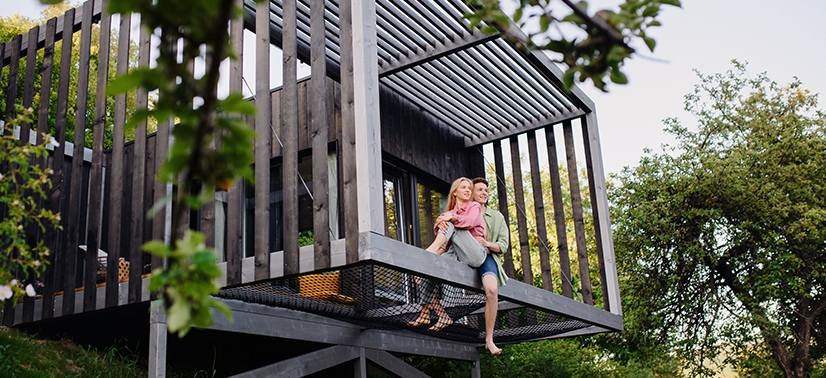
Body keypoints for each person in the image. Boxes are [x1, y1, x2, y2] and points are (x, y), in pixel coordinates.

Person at [408, 177, 487, 332]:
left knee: (452, 222)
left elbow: (469, 222)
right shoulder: (448, 214)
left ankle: (430, 251)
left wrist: (450, 218)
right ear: (455, 192)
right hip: (456, 255)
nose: (468, 190)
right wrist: (442, 220)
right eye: (463, 187)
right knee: (428, 269)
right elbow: (442, 234)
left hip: (475, 253)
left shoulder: (474, 206)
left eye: (469, 188)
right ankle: (426, 313)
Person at [471, 177, 509, 355]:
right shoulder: (464, 211)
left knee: (492, 291)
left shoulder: (497, 217)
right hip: (464, 256)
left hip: (486, 256)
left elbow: (503, 245)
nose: (484, 193)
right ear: (471, 192)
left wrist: (486, 243)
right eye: (479, 189)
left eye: (486, 190)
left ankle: (489, 339)